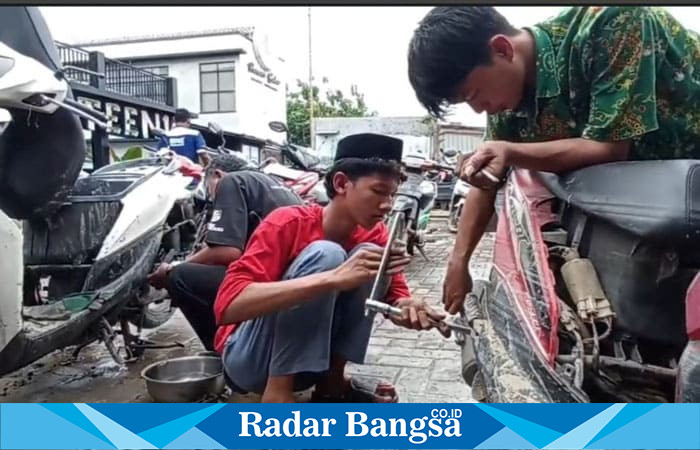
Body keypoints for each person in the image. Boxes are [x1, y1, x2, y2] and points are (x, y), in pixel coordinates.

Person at [407, 6, 700, 315]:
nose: (481, 111)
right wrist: (458, 261)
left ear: (502, 49)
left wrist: (510, 152)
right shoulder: (508, 100)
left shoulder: (610, 22)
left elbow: (610, 148)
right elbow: (488, 180)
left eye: (474, 95)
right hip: (654, 213)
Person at [213, 133, 445, 403]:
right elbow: (227, 307)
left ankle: (332, 383)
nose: (388, 204)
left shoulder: (376, 235)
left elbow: (394, 297)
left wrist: (409, 307)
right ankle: (279, 393)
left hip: (313, 365)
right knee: (327, 253)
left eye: (392, 194)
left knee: (368, 256)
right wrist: (332, 278)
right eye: (379, 192)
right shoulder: (287, 223)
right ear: (341, 183)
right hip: (252, 363)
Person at [148, 153, 302, 350]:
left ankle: (224, 352)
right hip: (294, 277)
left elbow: (228, 252)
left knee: (179, 277)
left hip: (271, 280)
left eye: (209, 188)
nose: (212, 197)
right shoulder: (275, 184)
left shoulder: (231, 181)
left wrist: (178, 265)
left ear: (218, 174)